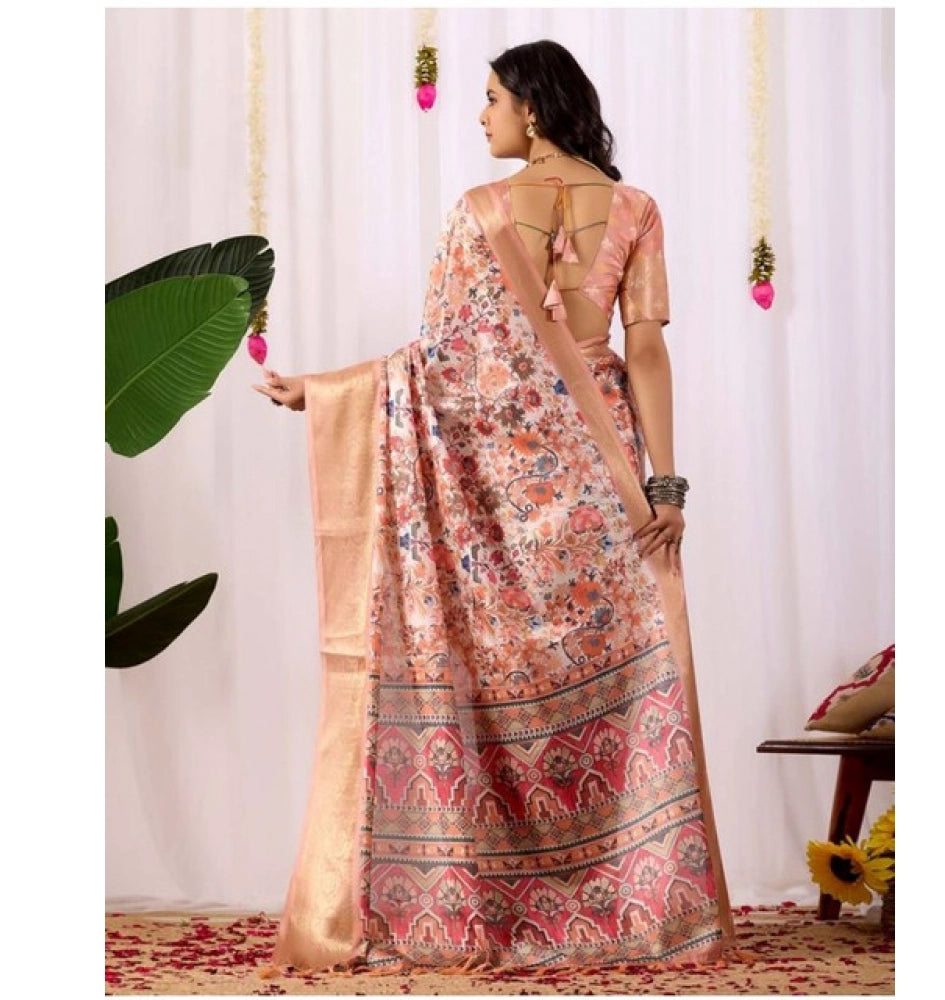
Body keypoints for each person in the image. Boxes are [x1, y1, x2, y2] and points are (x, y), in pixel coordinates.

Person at [254, 39, 735, 975]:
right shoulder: (636, 208)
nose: (481, 117)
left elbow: (446, 361)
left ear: (533, 108)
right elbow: (644, 351)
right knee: (627, 680)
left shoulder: (479, 212)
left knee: (495, 682)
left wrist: (327, 391)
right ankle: (632, 903)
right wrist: (665, 486)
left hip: (499, 486)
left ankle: (505, 903)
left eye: (491, 100)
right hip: (605, 473)